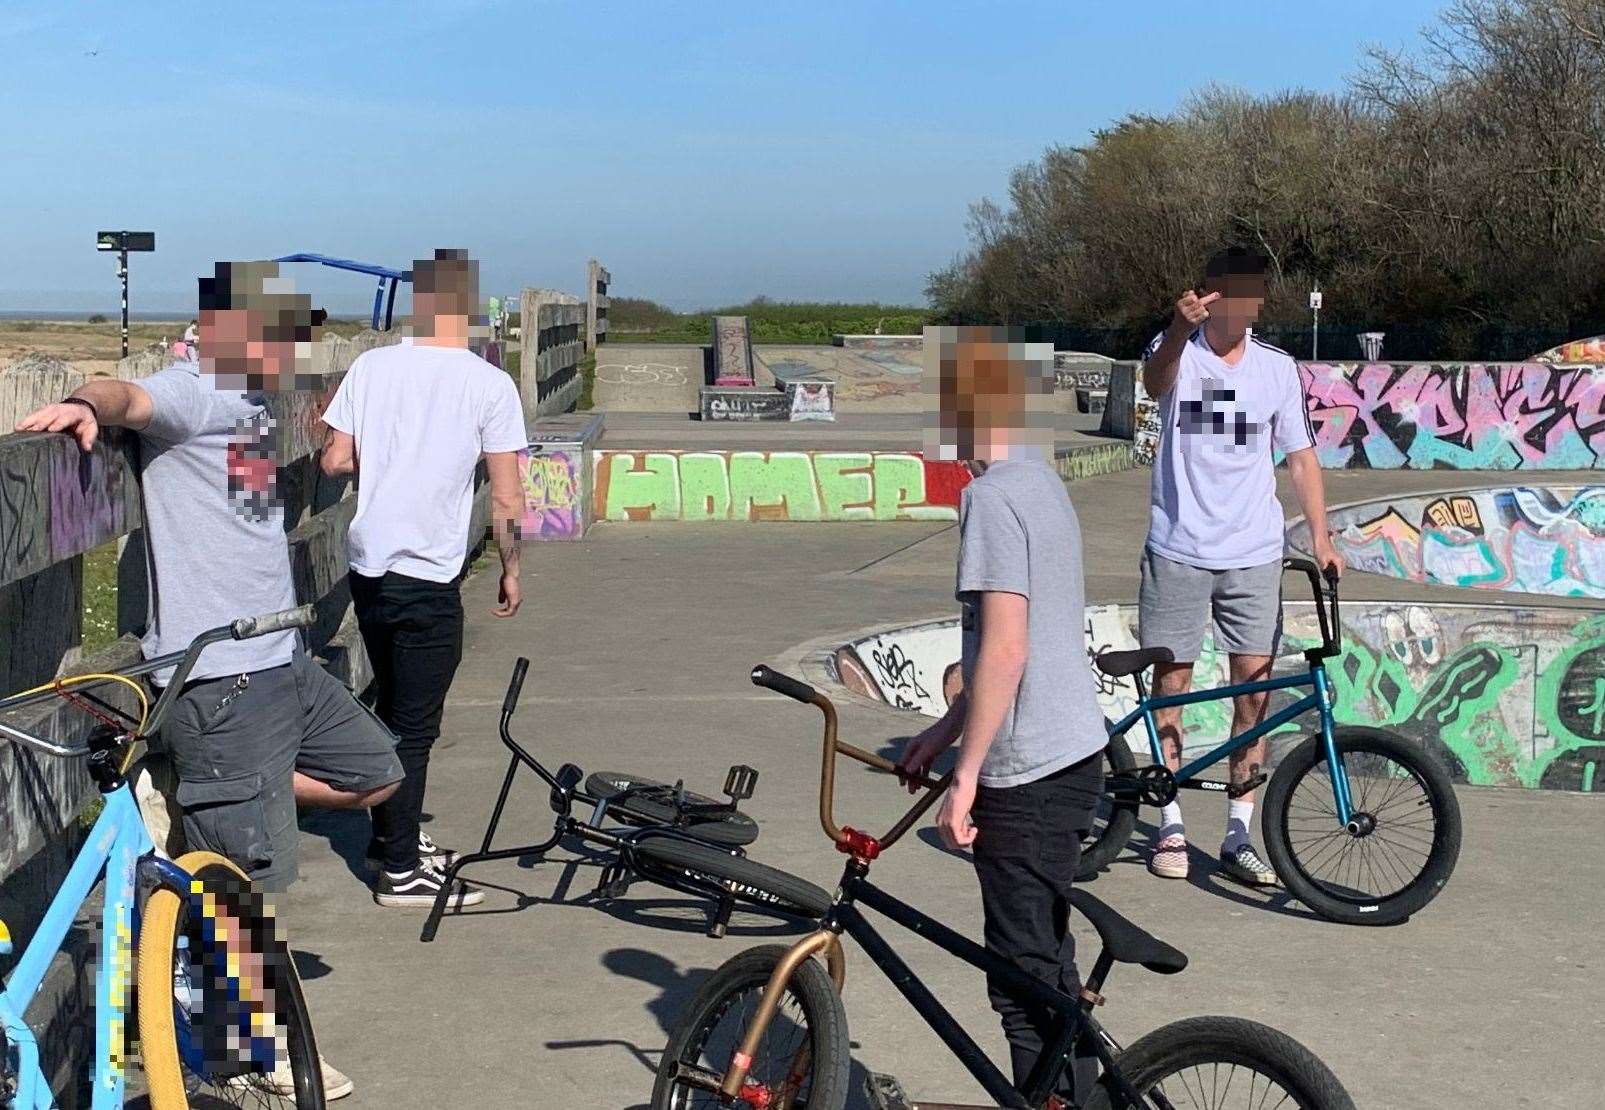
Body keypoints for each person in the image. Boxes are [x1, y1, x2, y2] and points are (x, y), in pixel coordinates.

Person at [15, 261, 404, 1100]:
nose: (286, 351)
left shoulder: (256, 405)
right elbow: (124, 397)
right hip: (223, 675)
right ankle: (250, 1060)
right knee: (248, 893)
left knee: (377, 774)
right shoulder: (190, 391)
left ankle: (204, 804)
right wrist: (86, 405)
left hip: (283, 658)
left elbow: (255, 518)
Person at [897, 326, 1107, 1104]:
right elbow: (1021, 637)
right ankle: (1082, 1088)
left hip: (1030, 773)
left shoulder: (988, 497)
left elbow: (1007, 648)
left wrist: (967, 778)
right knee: (1045, 961)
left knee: (1020, 988)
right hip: (1074, 751)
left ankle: (1067, 1096)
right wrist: (944, 730)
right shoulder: (1041, 481)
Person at [320, 248, 529, 909]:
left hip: (369, 567)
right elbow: (506, 497)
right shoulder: (487, 383)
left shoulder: (370, 367)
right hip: (428, 574)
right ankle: (402, 872)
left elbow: (334, 460)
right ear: (466, 309)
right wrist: (512, 568)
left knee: (389, 710)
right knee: (415, 724)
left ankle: (389, 840)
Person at [1138, 246, 1343, 887]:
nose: (1242, 307)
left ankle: (1237, 833)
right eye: (1230, 294)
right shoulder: (1178, 351)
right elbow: (1154, 381)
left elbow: (1301, 457)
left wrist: (1322, 536)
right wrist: (1176, 326)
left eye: (1252, 295)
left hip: (1254, 555)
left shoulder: (1276, 369)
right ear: (1209, 296)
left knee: (1253, 695)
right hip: (1179, 549)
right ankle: (1169, 821)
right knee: (1170, 687)